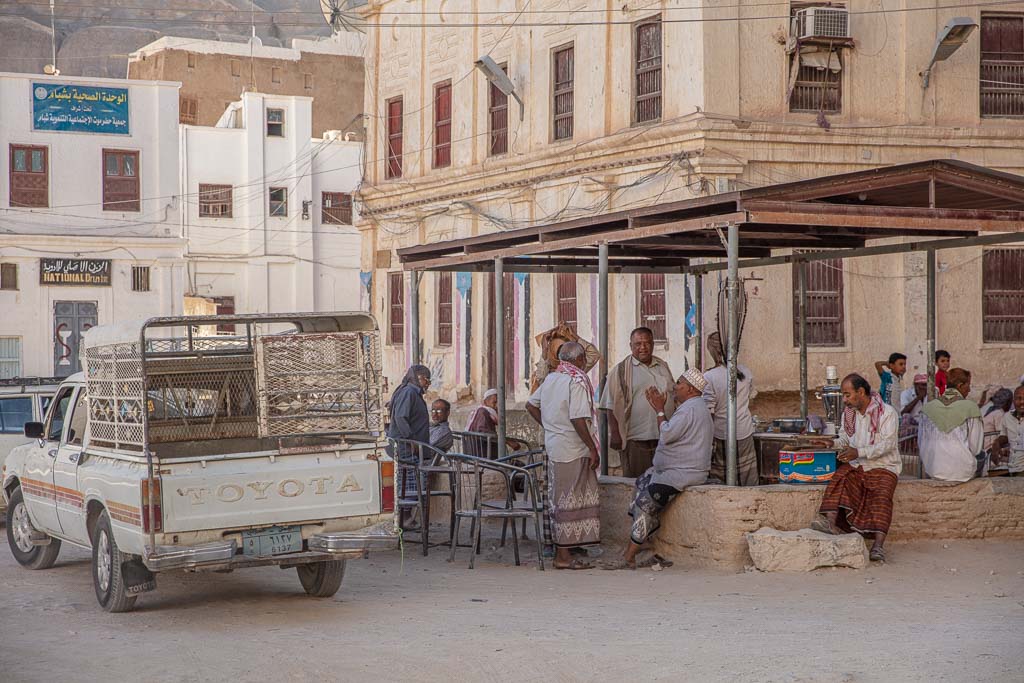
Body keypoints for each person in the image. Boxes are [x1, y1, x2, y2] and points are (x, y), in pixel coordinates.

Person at [604, 369, 713, 570]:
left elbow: (667, 434)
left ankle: (629, 556)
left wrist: (660, 410)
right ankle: (644, 543)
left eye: (679, 383)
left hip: (683, 473)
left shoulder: (691, 409)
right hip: (673, 470)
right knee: (642, 482)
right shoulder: (693, 406)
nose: (675, 387)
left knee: (647, 503)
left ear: (690, 389)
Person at [526, 342, 601, 570]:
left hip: (556, 445)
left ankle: (566, 551)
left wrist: (549, 426)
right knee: (568, 500)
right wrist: (592, 447)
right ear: (578, 360)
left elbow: (531, 405)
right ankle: (563, 556)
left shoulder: (551, 379)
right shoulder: (575, 381)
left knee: (564, 498)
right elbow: (578, 418)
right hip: (572, 448)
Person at [810, 374, 900, 563]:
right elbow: (845, 439)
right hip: (858, 463)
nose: (844, 400)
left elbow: (888, 445)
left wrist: (859, 452)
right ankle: (830, 524)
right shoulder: (849, 414)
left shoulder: (887, 413)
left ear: (861, 392)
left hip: (883, 465)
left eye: (847, 395)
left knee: (882, 494)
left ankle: (877, 546)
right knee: (841, 477)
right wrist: (829, 444)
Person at [598, 327, 676, 478]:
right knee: (637, 483)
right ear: (631, 346)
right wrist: (615, 433)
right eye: (638, 344)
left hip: (663, 439)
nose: (643, 347)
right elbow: (609, 404)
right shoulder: (620, 371)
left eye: (647, 343)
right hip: (635, 440)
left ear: (653, 344)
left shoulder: (662, 366)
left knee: (661, 484)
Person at [702, 332, 757, 485]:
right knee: (748, 480)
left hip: (721, 434)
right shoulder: (745, 372)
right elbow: (749, 399)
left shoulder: (709, 377)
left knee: (722, 481)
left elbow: (708, 412)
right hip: (745, 431)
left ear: (712, 351)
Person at [917, 368, 984, 482]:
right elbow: (976, 448)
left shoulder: (927, 408)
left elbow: (921, 443)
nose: (969, 389)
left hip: (933, 469)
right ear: (960, 385)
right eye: (968, 385)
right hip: (962, 472)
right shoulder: (970, 407)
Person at [387, 365, 432, 510]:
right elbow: (401, 418)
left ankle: (407, 518)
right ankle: (405, 518)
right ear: (419, 378)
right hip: (405, 448)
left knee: (411, 485)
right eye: (427, 380)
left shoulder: (413, 393)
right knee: (409, 485)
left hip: (410, 447)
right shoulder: (409, 392)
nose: (428, 384)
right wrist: (411, 440)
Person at [993, 385, 1024, 475]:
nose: (1022, 402)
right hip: (1013, 467)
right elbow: (1004, 436)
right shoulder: (1007, 416)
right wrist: (996, 444)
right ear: (1013, 401)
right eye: (1018, 398)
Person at [982, 388, 1013, 457]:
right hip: (989, 447)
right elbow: (1002, 435)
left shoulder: (991, 410)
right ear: (1007, 402)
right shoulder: (999, 413)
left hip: (984, 443)